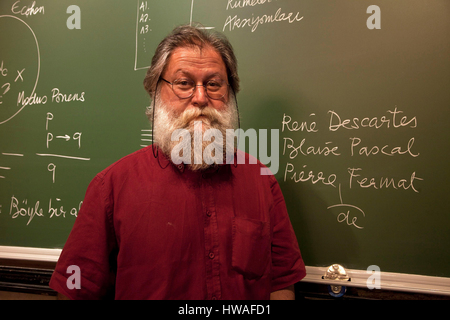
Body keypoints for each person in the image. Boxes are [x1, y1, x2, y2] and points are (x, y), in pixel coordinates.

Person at [49, 24, 306, 300]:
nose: (200, 98)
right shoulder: (110, 188)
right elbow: (76, 290)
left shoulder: (261, 180)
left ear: (229, 94)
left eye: (213, 84)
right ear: (155, 92)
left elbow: (281, 282)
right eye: (184, 83)